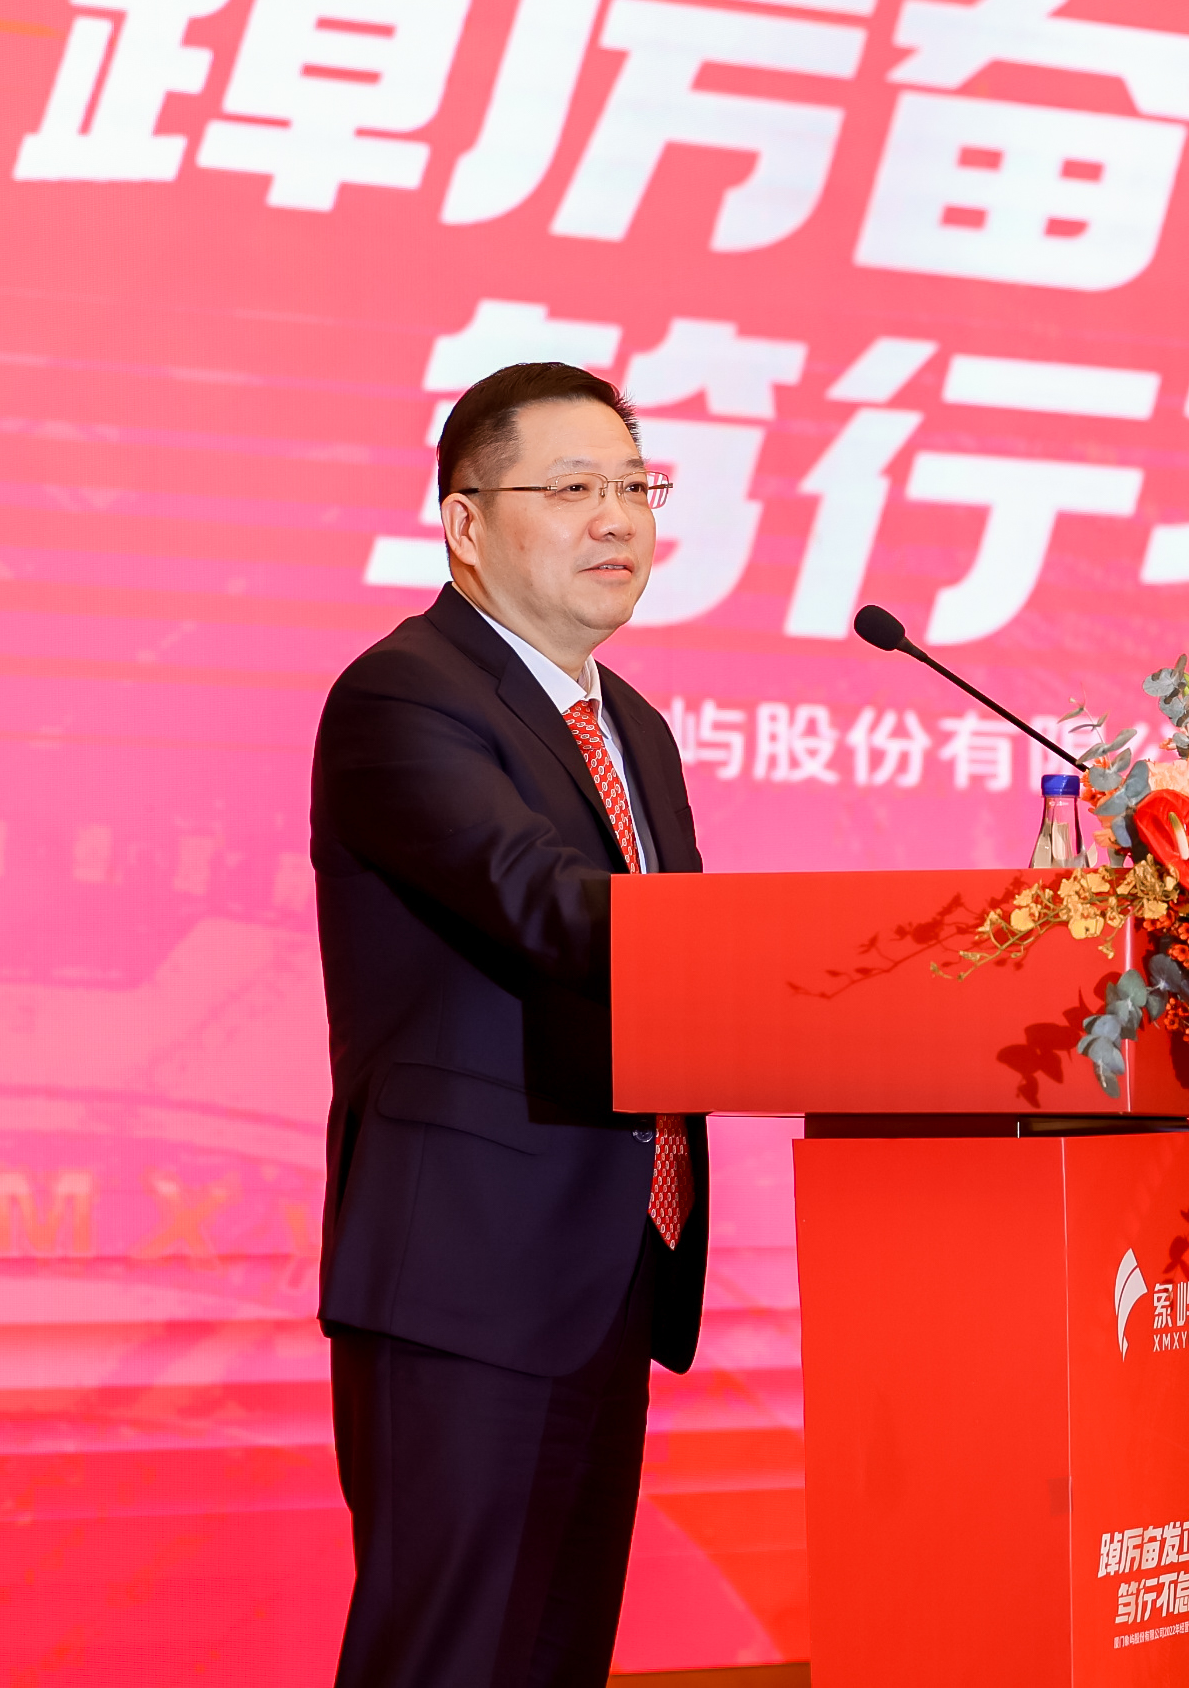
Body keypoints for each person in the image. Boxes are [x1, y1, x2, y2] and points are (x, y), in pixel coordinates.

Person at [310, 361, 705, 1688]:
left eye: (635, 487)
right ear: (466, 524)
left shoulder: (631, 723)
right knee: (449, 1660)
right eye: (574, 487)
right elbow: (546, 902)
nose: (617, 518)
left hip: (609, 1261)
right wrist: (801, 949)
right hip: (467, 1270)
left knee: (552, 1659)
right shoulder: (404, 695)